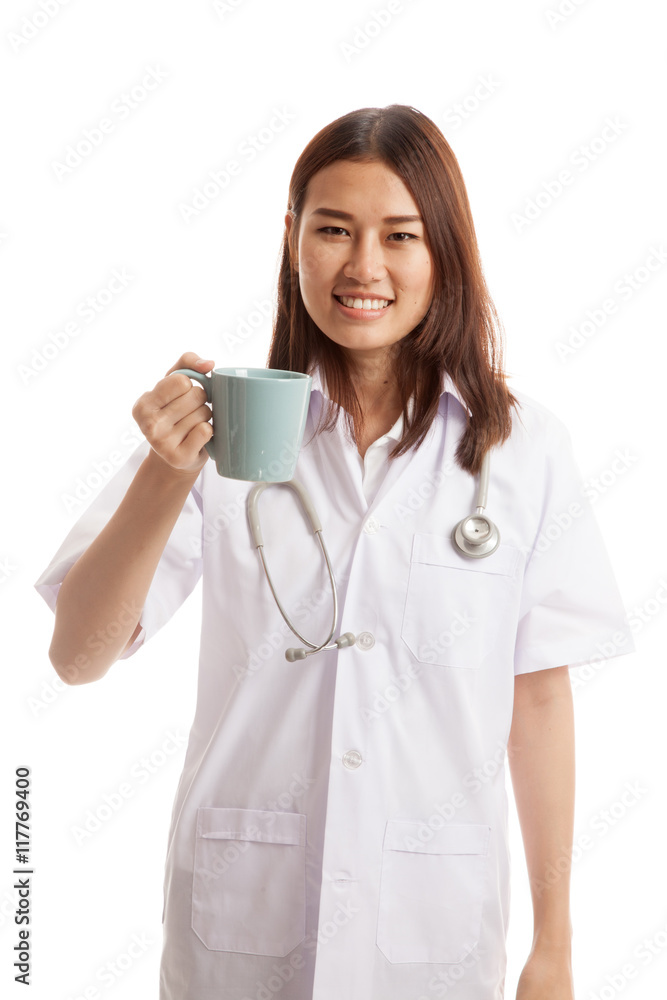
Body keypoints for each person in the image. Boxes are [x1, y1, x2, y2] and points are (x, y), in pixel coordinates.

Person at [35, 104, 635, 1000]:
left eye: (400, 235)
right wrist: (167, 476)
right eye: (333, 231)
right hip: (241, 928)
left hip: (431, 929)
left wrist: (553, 947)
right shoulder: (216, 428)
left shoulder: (521, 449)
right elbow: (78, 658)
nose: (364, 268)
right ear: (291, 240)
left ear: (446, 251)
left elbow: (539, 698)